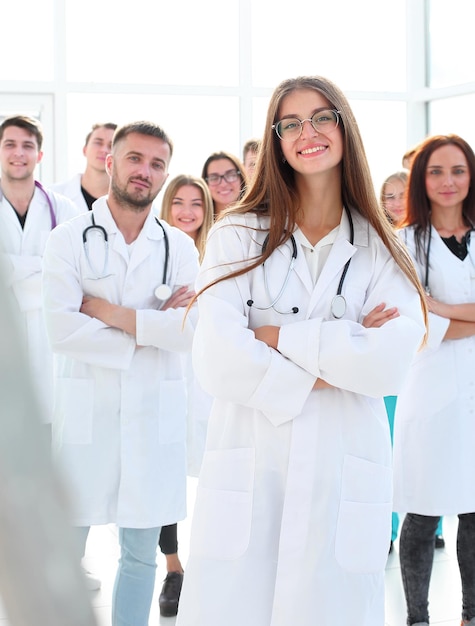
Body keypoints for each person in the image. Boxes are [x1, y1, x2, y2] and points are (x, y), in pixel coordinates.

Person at [176, 75, 427, 626]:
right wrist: (341, 353)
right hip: (249, 467)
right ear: (276, 140)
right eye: (290, 123)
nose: (306, 132)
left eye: (321, 117)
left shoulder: (383, 245)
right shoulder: (237, 234)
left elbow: (389, 361)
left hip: (342, 473)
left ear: (344, 127)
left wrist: (274, 337)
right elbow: (217, 356)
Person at [42, 121, 200, 626]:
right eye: (135, 159)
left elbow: (190, 332)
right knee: (66, 550)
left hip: (153, 420)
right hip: (87, 417)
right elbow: (62, 330)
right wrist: (150, 332)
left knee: (139, 555)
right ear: (109, 162)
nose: (144, 172)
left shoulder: (180, 248)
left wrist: (109, 313)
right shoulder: (67, 239)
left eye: (156, 164)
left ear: (165, 175)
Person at [393, 134, 475, 626]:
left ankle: (470, 616)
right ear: (421, 179)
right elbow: (412, 322)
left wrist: (438, 308)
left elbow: (429, 312)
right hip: (430, 391)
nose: (448, 181)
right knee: (422, 513)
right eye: (436, 171)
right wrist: (440, 318)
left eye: (458, 170)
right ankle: (417, 618)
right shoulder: (404, 242)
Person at [154, 174, 213, 617]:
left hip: (212, 375)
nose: (188, 211)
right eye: (179, 202)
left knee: (216, 473)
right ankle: (174, 568)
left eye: (197, 203)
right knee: (166, 475)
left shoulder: (224, 252)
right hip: (167, 372)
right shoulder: (155, 251)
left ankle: (210, 565)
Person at [0, 115, 79, 429]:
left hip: (51, 348)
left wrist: (12, 270)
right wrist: (42, 267)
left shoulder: (65, 210)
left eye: (27, 146)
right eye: (10, 144)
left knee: (47, 434)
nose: (18, 152)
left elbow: (73, 278)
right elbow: (53, 273)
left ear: (39, 155)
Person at [52, 122, 117, 212]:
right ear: (85, 150)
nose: (104, 150)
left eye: (111, 145)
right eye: (98, 143)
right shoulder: (55, 194)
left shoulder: (127, 200)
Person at [201, 150, 246, 217]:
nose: (223, 184)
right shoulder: (197, 221)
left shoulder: (258, 221)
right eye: (214, 178)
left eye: (230, 175)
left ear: (241, 177)